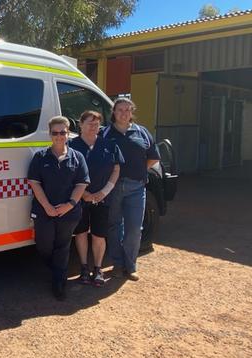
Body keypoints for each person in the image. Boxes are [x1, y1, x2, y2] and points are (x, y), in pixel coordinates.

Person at [28, 116, 90, 300]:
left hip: (69, 213)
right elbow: (35, 184)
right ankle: (56, 269)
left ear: (68, 133)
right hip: (44, 212)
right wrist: (47, 207)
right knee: (44, 245)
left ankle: (59, 282)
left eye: (62, 132)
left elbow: (81, 184)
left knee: (63, 246)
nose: (59, 136)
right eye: (55, 133)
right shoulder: (40, 157)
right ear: (50, 134)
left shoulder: (77, 157)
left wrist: (69, 205)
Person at [102, 98, 160, 281]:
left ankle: (131, 265)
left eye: (127, 110)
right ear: (114, 112)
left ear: (132, 112)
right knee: (114, 226)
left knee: (134, 228)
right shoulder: (105, 133)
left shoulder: (141, 132)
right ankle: (118, 264)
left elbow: (153, 158)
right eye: (120, 110)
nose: (124, 113)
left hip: (136, 187)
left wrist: (140, 170)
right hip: (113, 187)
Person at [69, 111, 124, 287]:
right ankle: (84, 268)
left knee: (99, 234)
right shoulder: (71, 145)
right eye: (89, 122)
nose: (93, 126)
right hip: (79, 198)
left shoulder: (109, 145)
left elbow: (116, 170)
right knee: (81, 232)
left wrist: (105, 191)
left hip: (102, 198)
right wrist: (84, 194)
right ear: (81, 124)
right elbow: (68, 173)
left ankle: (98, 269)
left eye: (97, 123)